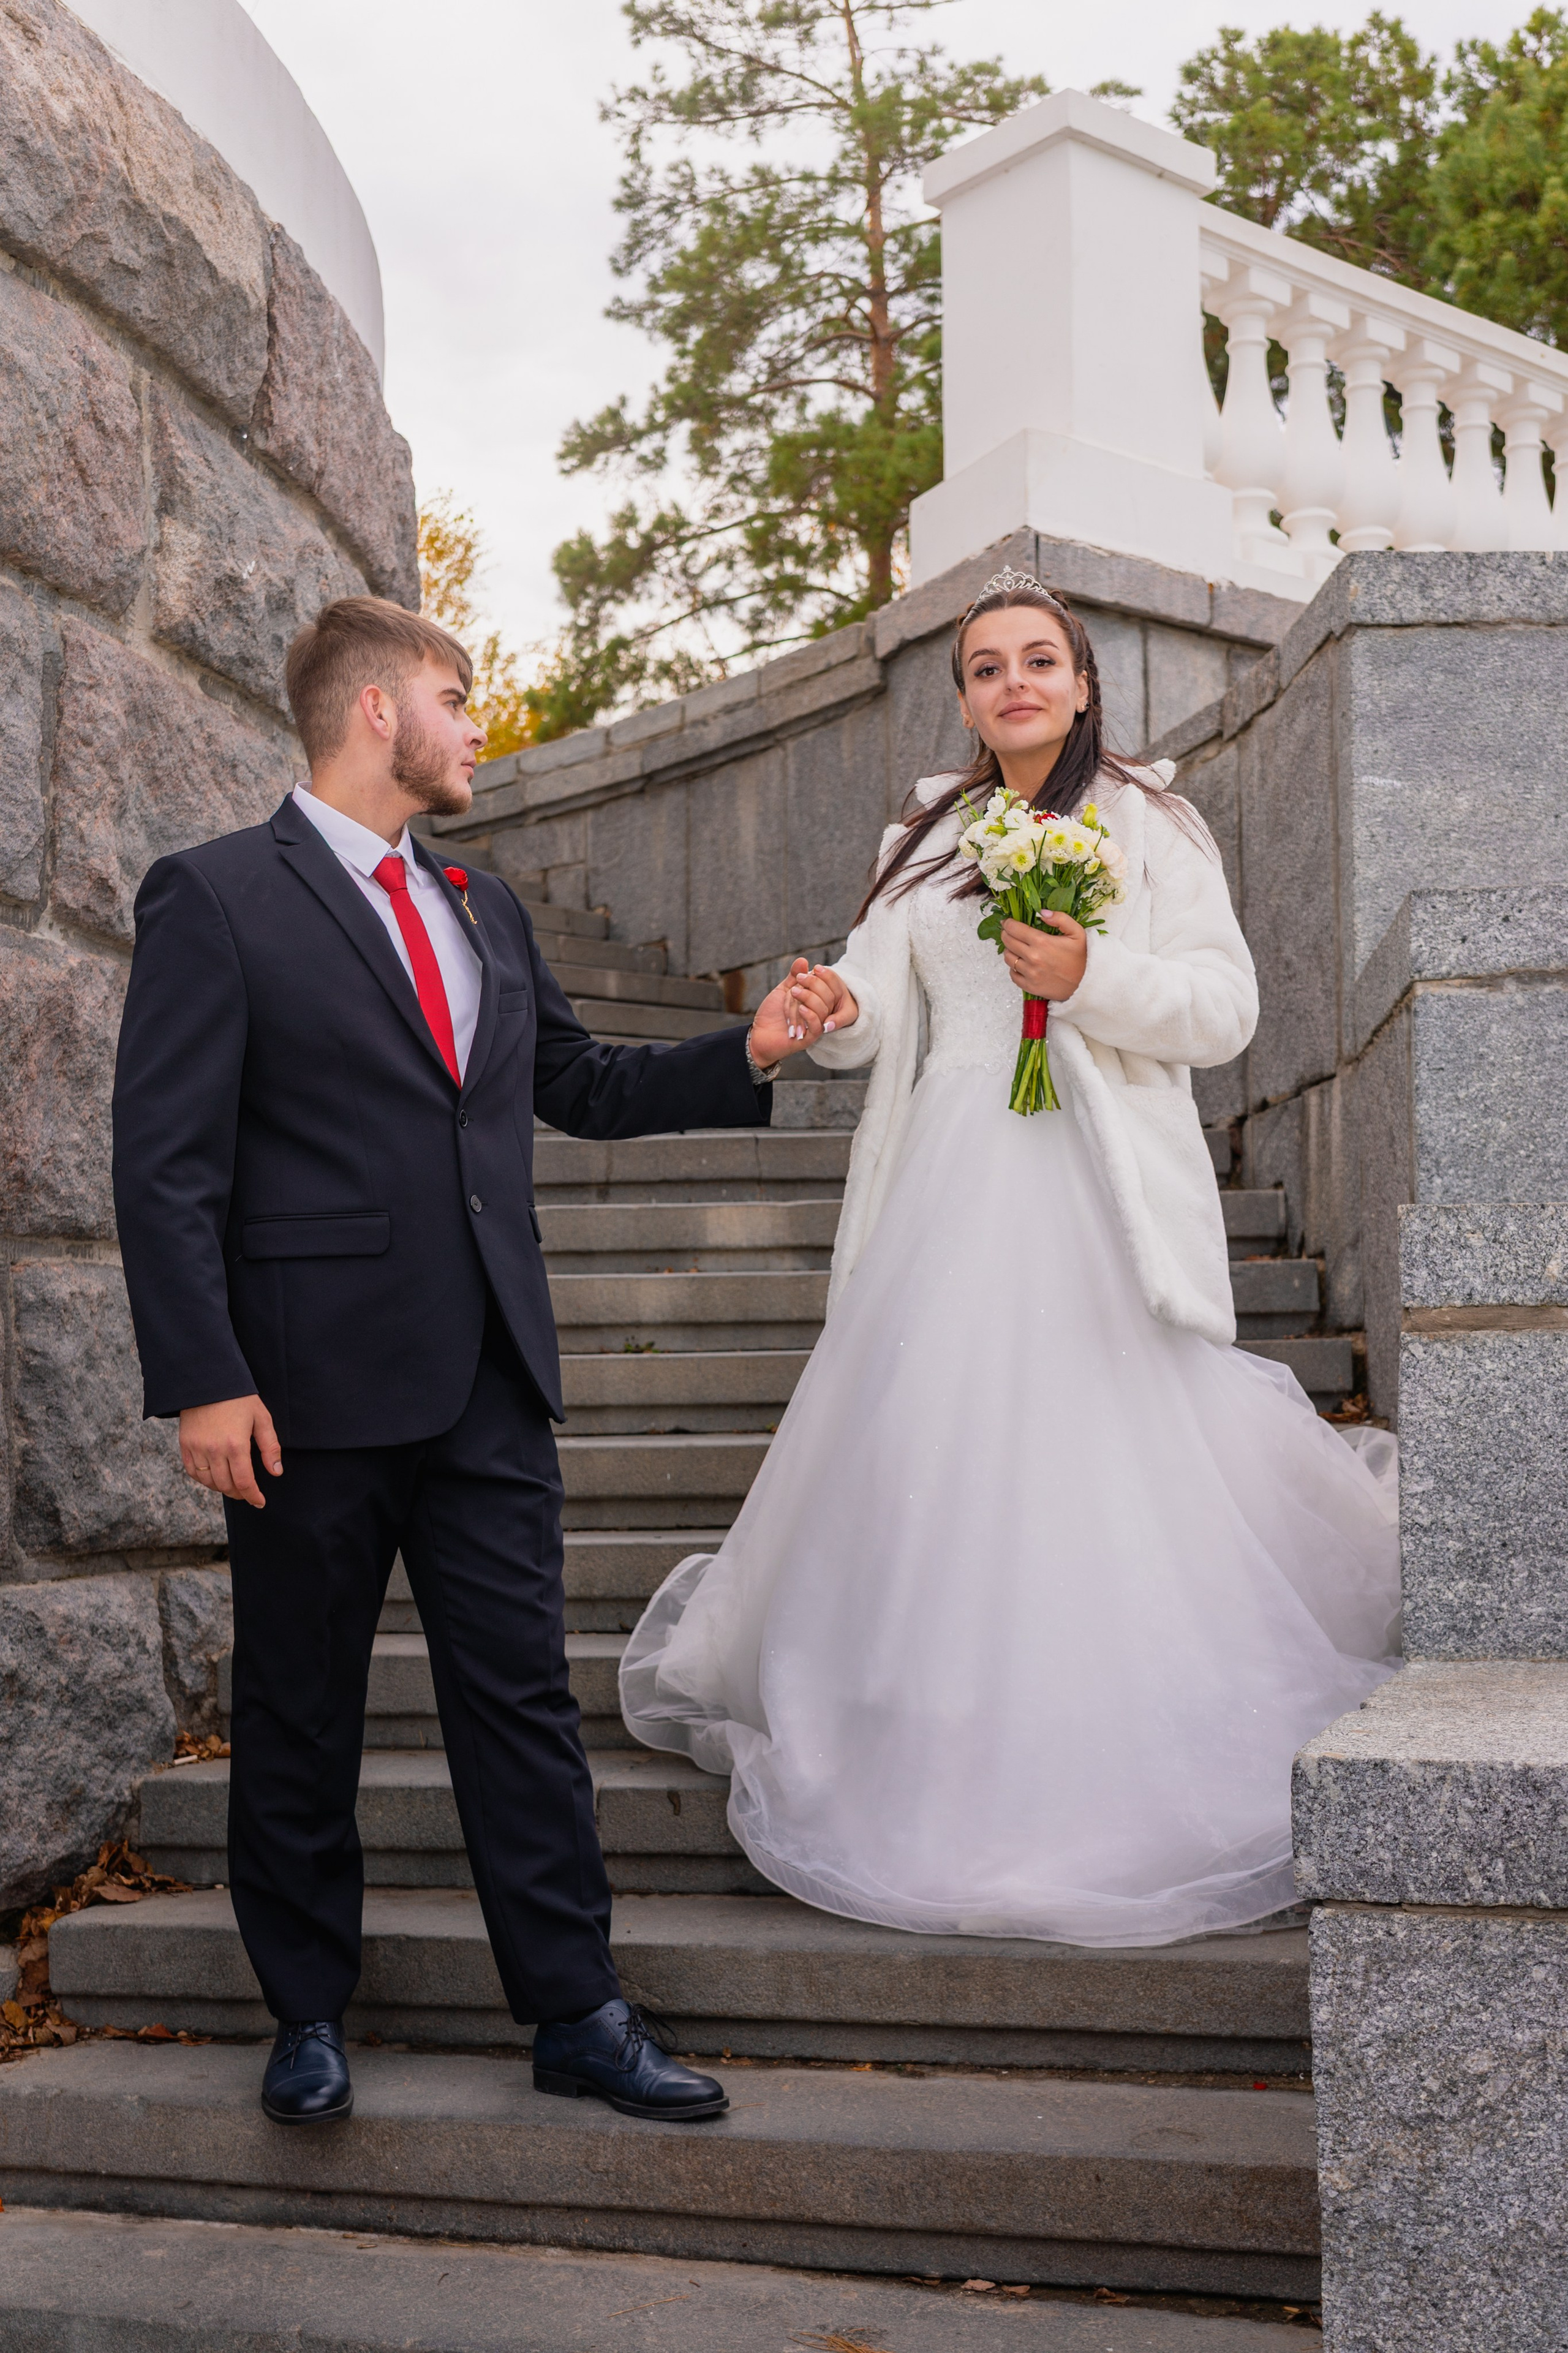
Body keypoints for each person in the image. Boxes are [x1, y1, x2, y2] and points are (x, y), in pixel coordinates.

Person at [111, 595, 830, 2127]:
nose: (475, 722)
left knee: (519, 1705)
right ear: (377, 709)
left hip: (491, 1377)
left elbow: (574, 1082)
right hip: (299, 1394)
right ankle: (305, 2010)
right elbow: (164, 1163)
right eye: (457, 694)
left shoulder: (486, 909)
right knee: (298, 1708)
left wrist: (749, 1050)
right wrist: (204, 1376)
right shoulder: (218, 896)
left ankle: (575, 2009)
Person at [620, 568, 1401, 1947]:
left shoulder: (1151, 819)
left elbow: (1221, 1008)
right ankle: (931, 1723)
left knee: (1097, 1449)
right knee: (944, 1447)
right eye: (985, 667)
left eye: (1038, 659)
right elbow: (879, 991)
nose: (1014, 683)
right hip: (951, 1167)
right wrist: (829, 1002)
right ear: (968, 696)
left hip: (1097, 1187)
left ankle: (1112, 1721)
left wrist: (1086, 979)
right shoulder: (928, 832)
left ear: (1084, 680)